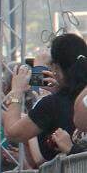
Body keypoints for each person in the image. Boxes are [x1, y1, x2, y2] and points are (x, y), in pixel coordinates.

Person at [5, 32, 87, 163]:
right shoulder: (63, 99)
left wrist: (16, 91)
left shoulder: (52, 104)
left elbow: (12, 133)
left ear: (55, 67)